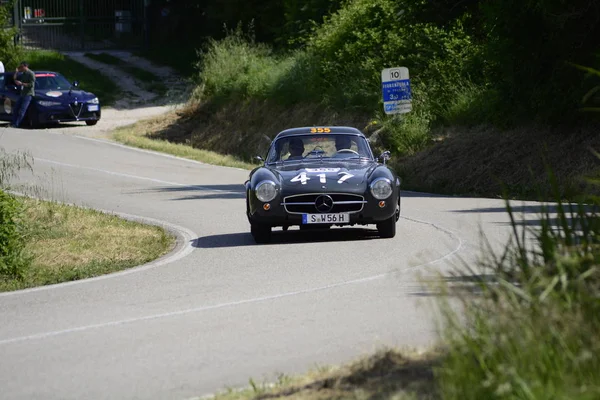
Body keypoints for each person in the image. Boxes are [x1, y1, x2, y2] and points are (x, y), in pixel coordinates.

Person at [11, 61, 35, 128]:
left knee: (22, 110)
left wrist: (22, 83)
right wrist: (16, 72)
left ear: (25, 66)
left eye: (22, 67)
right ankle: (13, 123)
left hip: (28, 94)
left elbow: (31, 85)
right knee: (16, 109)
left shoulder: (31, 73)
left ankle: (17, 124)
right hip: (22, 93)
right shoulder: (23, 73)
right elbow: (14, 78)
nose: (21, 68)